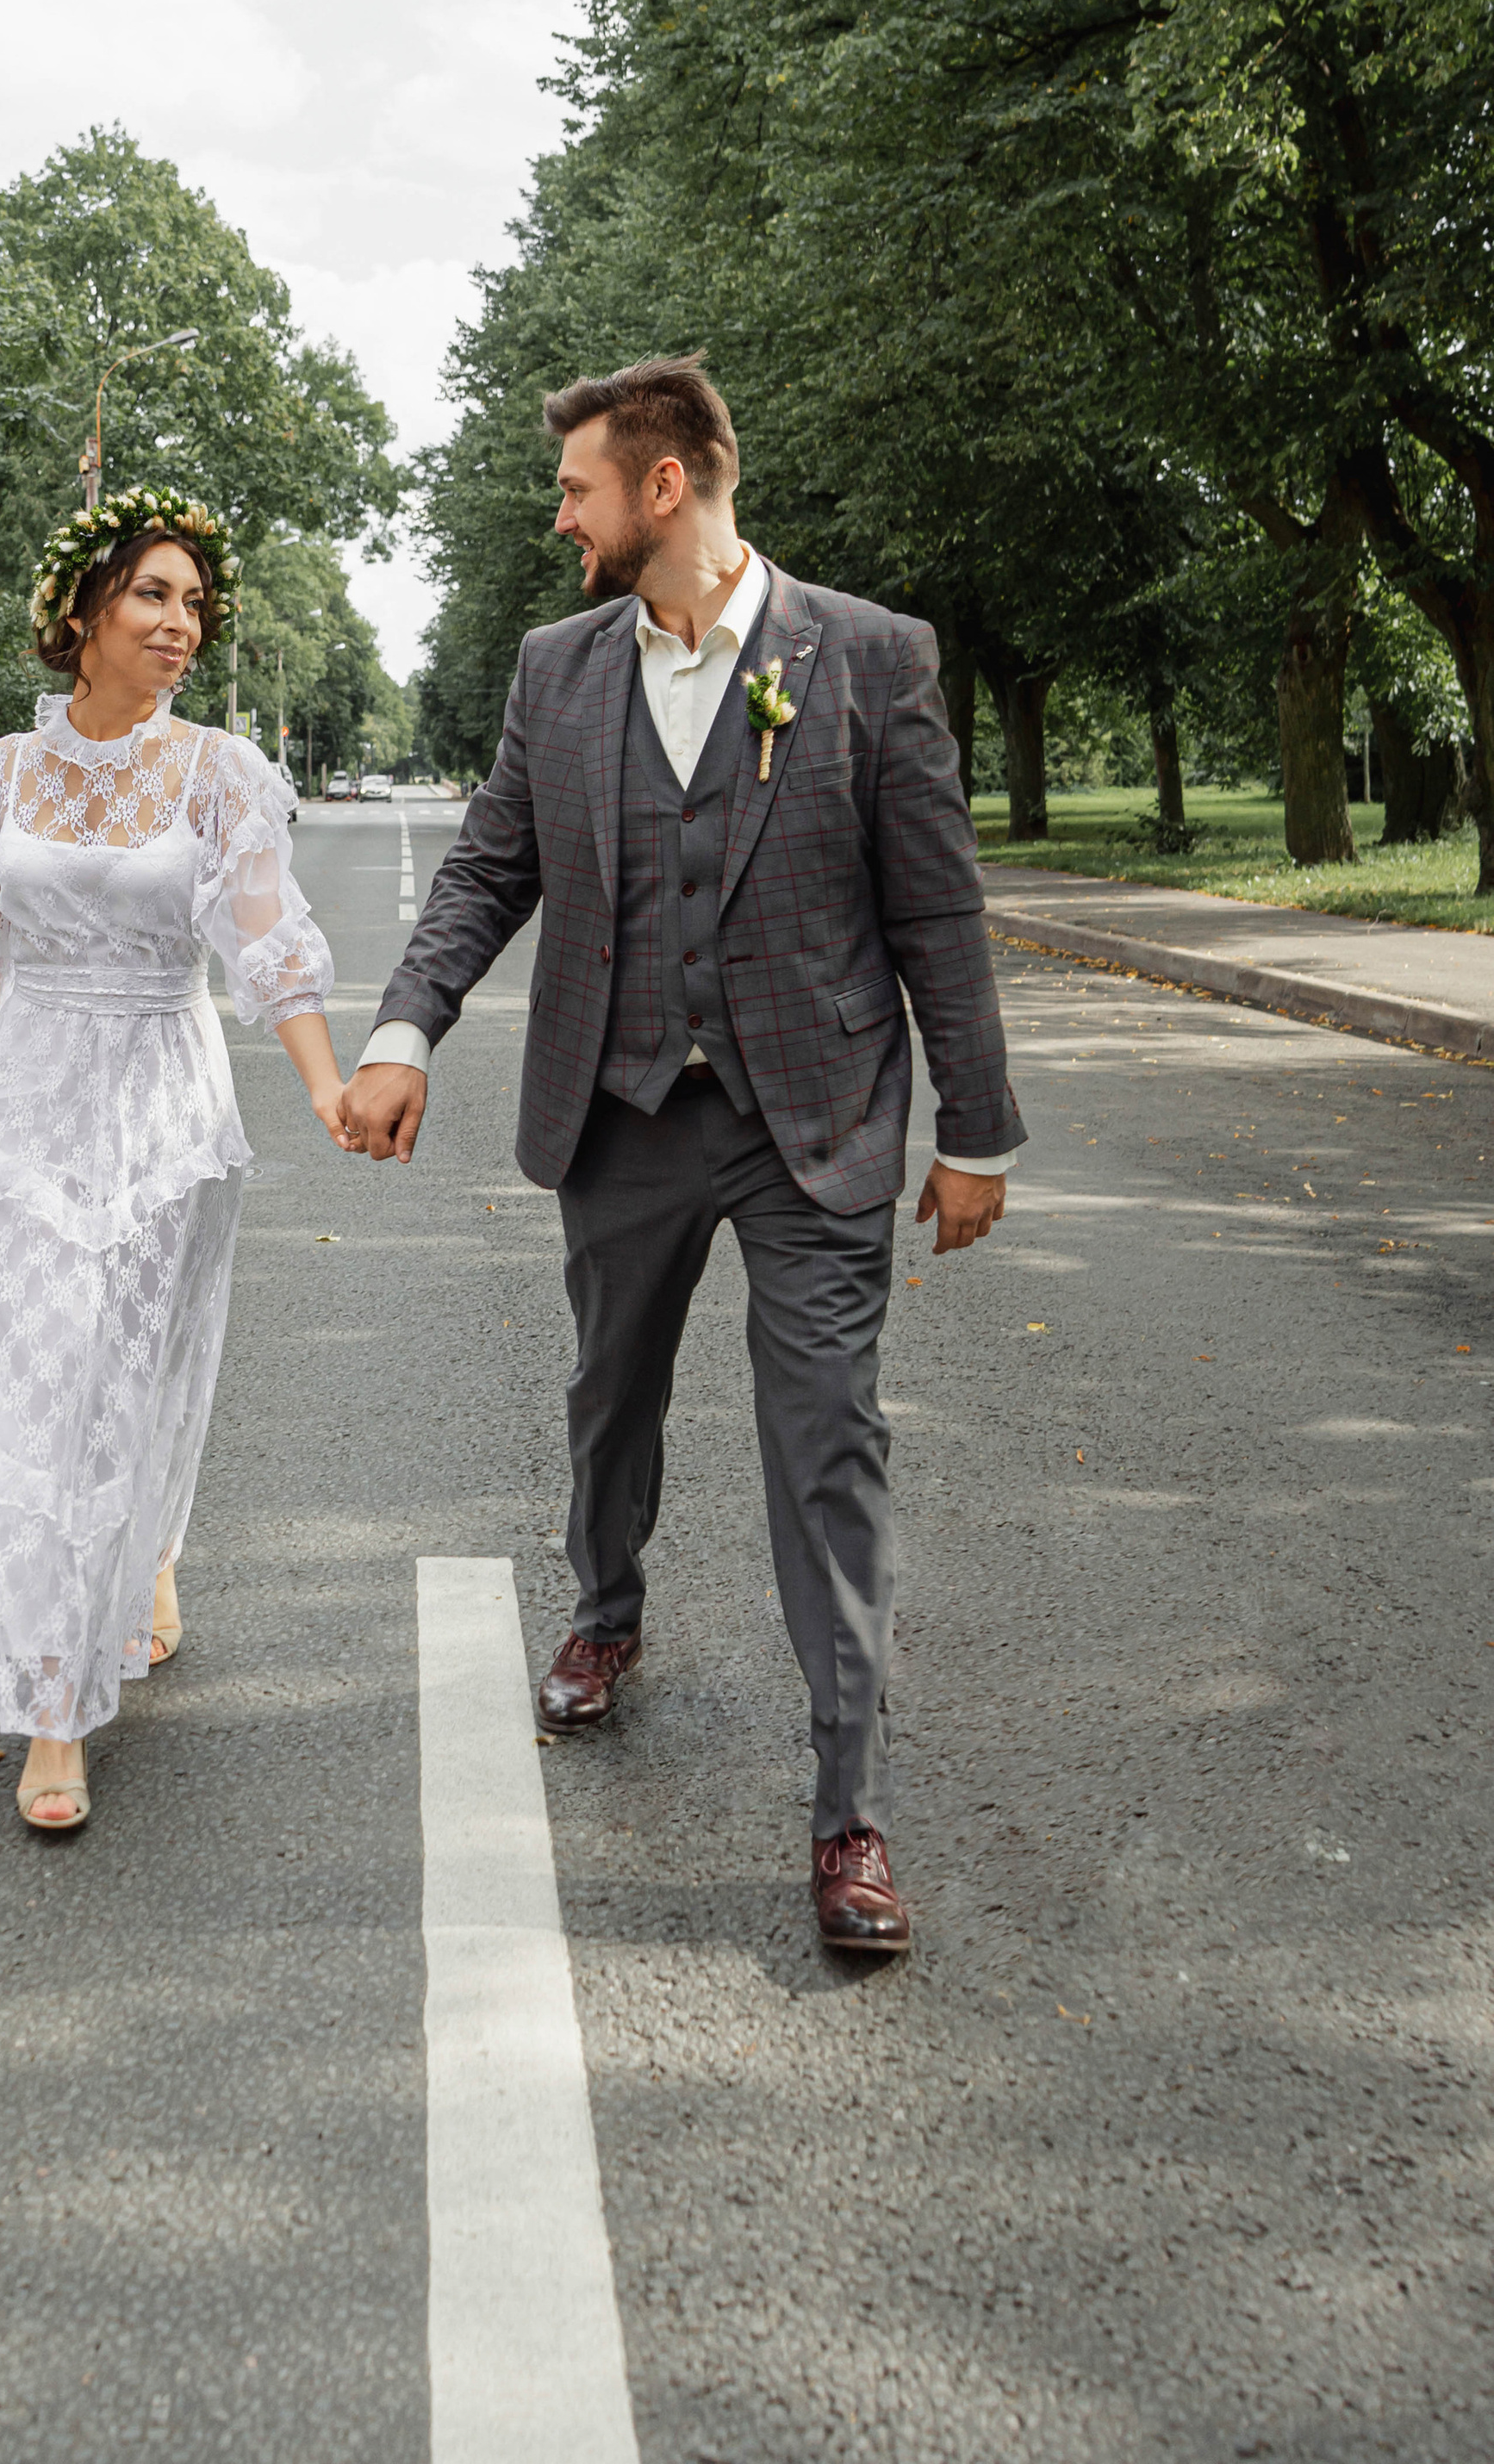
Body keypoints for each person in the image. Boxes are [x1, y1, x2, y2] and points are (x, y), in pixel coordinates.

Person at [339, 358, 1024, 1954]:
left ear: (663, 489)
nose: (558, 513)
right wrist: (401, 1033)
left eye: (576, 486)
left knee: (827, 1451)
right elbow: (488, 872)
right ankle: (606, 1613)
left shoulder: (867, 658)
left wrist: (979, 1129)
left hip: (818, 1123)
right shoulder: (556, 672)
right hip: (626, 1112)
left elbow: (936, 911)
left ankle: (846, 1812)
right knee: (610, 1399)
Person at [0, 488, 353, 1832]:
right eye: (155, 595)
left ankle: (150, 1549)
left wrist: (331, 1086)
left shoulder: (217, 773)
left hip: (166, 1106)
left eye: (194, 603)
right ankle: (55, 1707)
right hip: (33, 1109)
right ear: (82, 612)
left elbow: (268, 944)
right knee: (40, 1385)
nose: (182, 623)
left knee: (140, 1365)